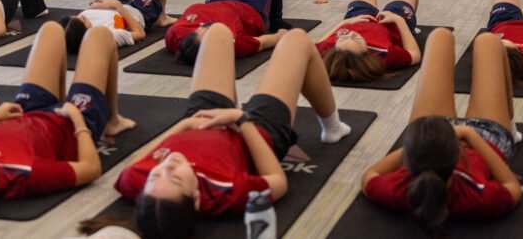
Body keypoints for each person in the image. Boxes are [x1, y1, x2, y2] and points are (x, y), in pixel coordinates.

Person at [112, 24, 351, 238]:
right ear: (196, 198)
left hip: (200, 120)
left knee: (217, 32)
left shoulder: (137, 182)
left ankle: (227, 102)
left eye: (156, 175)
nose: (167, 166)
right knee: (297, 40)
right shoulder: (225, 193)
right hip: (256, 132)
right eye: (175, 177)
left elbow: (134, 164)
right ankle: (333, 127)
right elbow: (278, 182)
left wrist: (184, 126)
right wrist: (241, 119)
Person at [0, 20, 137, 224]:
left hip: (26, 112)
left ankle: (65, 99)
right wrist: (79, 123)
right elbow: (90, 169)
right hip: (69, 124)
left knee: (50, 30)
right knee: (99, 36)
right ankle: (112, 121)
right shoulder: (25, 174)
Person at [362, 28, 523, 234]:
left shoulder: (399, 190)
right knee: (488, 41)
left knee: (440, 35)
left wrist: (421, 143)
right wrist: (468, 135)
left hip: (430, 134)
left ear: (408, 161)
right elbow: (512, 185)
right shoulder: (476, 197)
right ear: (459, 155)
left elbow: (369, 175)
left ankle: (427, 141)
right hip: (487, 139)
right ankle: (512, 127)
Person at [316, 0, 421, 83]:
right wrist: (399, 20)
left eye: (343, 36)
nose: (352, 33)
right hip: (392, 24)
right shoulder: (385, 55)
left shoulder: (329, 50)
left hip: (358, 16)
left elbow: (318, 44)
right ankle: (411, 28)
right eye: (355, 39)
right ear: (366, 55)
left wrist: (344, 23)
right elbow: (415, 54)